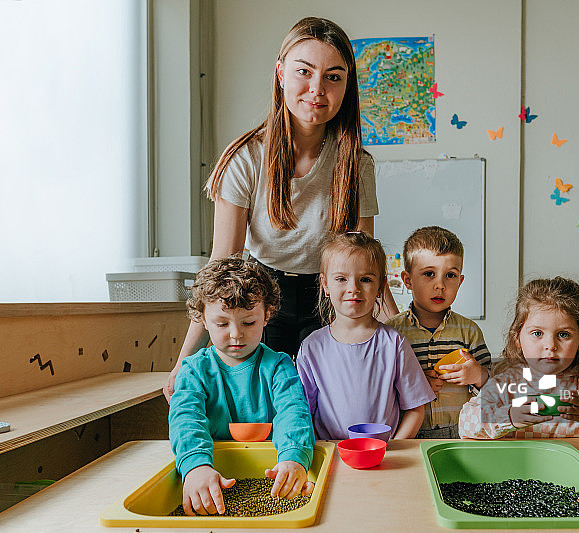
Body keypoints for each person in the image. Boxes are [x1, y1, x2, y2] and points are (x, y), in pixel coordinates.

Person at [163, 16, 397, 402]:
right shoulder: (245, 158)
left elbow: (364, 262)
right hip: (262, 296)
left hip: (330, 296)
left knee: (331, 406)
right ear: (281, 73)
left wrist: (402, 337)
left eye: (333, 77)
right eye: (304, 72)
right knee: (266, 406)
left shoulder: (356, 163)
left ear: (347, 86)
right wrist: (183, 358)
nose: (317, 89)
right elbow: (222, 263)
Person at [168, 257, 315, 516]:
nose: (236, 334)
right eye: (222, 323)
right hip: (211, 470)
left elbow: (294, 412)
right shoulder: (193, 370)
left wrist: (293, 458)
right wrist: (195, 466)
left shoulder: (279, 366)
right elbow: (185, 419)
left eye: (248, 323)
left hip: (271, 471)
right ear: (203, 319)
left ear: (267, 315)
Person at [458, 277, 579, 450]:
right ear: (517, 338)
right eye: (537, 333)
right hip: (519, 470)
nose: (550, 345)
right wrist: (509, 417)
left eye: (563, 334)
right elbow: (465, 425)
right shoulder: (506, 383)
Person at [296, 232, 435, 440]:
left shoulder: (394, 343)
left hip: (385, 455)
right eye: (341, 279)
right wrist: (325, 449)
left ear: (380, 286)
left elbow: (415, 409)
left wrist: (392, 449)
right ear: (325, 284)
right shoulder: (311, 347)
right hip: (331, 454)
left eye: (365, 279)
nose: (353, 288)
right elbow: (302, 412)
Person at [386, 226, 491, 439]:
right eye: (429, 274)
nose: (440, 285)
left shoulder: (469, 331)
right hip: (409, 435)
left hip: (462, 434)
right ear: (407, 280)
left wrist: (478, 375)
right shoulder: (392, 332)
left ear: (460, 281)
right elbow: (383, 391)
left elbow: (495, 389)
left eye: (450, 275)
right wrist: (415, 386)